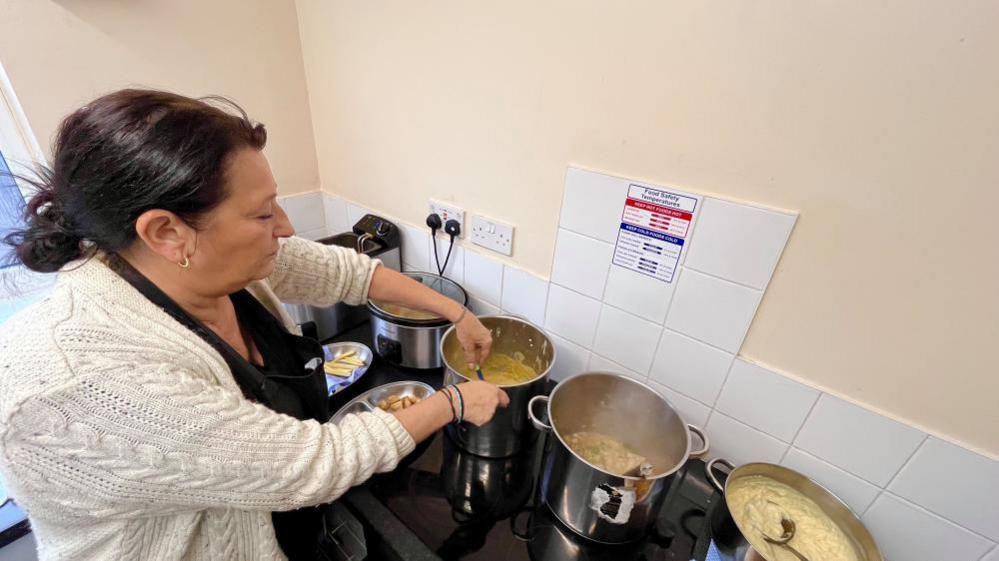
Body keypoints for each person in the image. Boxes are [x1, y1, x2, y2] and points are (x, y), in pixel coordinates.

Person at [0, 89, 509, 561]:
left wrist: (456, 313)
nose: (284, 226)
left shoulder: (196, 263)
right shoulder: (79, 381)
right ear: (166, 232)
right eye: (263, 215)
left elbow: (344, 271)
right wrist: (456, 401)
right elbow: (316, 464)